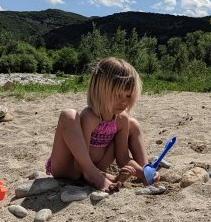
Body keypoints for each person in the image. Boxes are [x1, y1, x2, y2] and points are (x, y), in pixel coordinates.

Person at [45, 57, 156, 191]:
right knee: (68, 115)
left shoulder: (121, 119)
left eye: (128, 95)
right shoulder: (90, 117)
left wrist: (141, 172)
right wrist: (99, 176)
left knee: (133, 124)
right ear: (100, 91)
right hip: (70, 167)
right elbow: (79, 164)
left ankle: (147, 172)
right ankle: (95, 176)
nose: (124, 101)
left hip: (95, 168)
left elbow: (122, 158)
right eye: (117, 95)